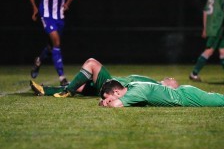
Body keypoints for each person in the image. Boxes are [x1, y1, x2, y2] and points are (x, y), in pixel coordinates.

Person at [30, 58, 179, 96]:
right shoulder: (153, 82)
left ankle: (67, 91)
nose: (172, 78)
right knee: (80, 86)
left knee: (92, 63)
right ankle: (45, 90)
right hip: (111, 84)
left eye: (174, 81)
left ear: (170, 87)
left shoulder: (158, 87)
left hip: (112, 85)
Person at [99, 79, 224, 108]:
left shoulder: (134, 92)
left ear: (116, 92)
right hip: (185, 91)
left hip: (187, 97)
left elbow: (118, 106)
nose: (109, 101)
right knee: (223, 98)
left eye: (109, 97)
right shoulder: (132, 85)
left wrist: (107, 104)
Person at [27, 0, 77, 86]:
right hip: (46, 15)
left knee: (51, 46)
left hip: (60, 17)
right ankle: (62, 77)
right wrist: (34, 7)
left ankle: (39, 60)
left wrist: (67, 4)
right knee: (56, 43)